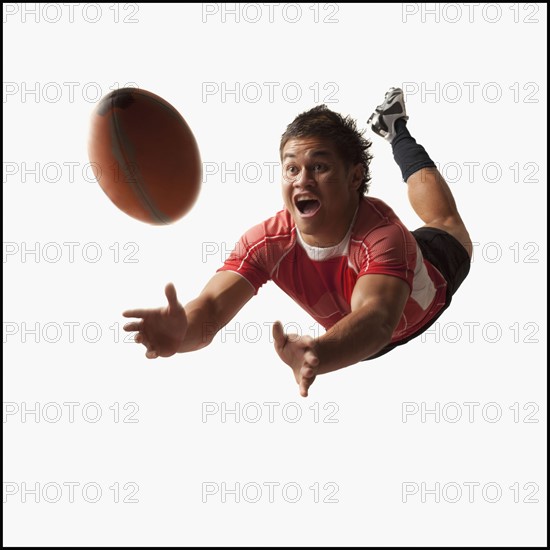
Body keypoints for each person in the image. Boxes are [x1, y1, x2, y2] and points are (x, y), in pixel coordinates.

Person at [123, 88, 472, 397]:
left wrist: (321, 352)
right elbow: (210, 308)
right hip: (356, 340)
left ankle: (396, 130)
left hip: (428, 291)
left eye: (319, 167)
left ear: (354, 176)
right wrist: (182, 331)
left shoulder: (384, 237)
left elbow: (378, 319)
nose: (302, 180)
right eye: (291, 169)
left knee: (445, 223)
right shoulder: (268, 242)